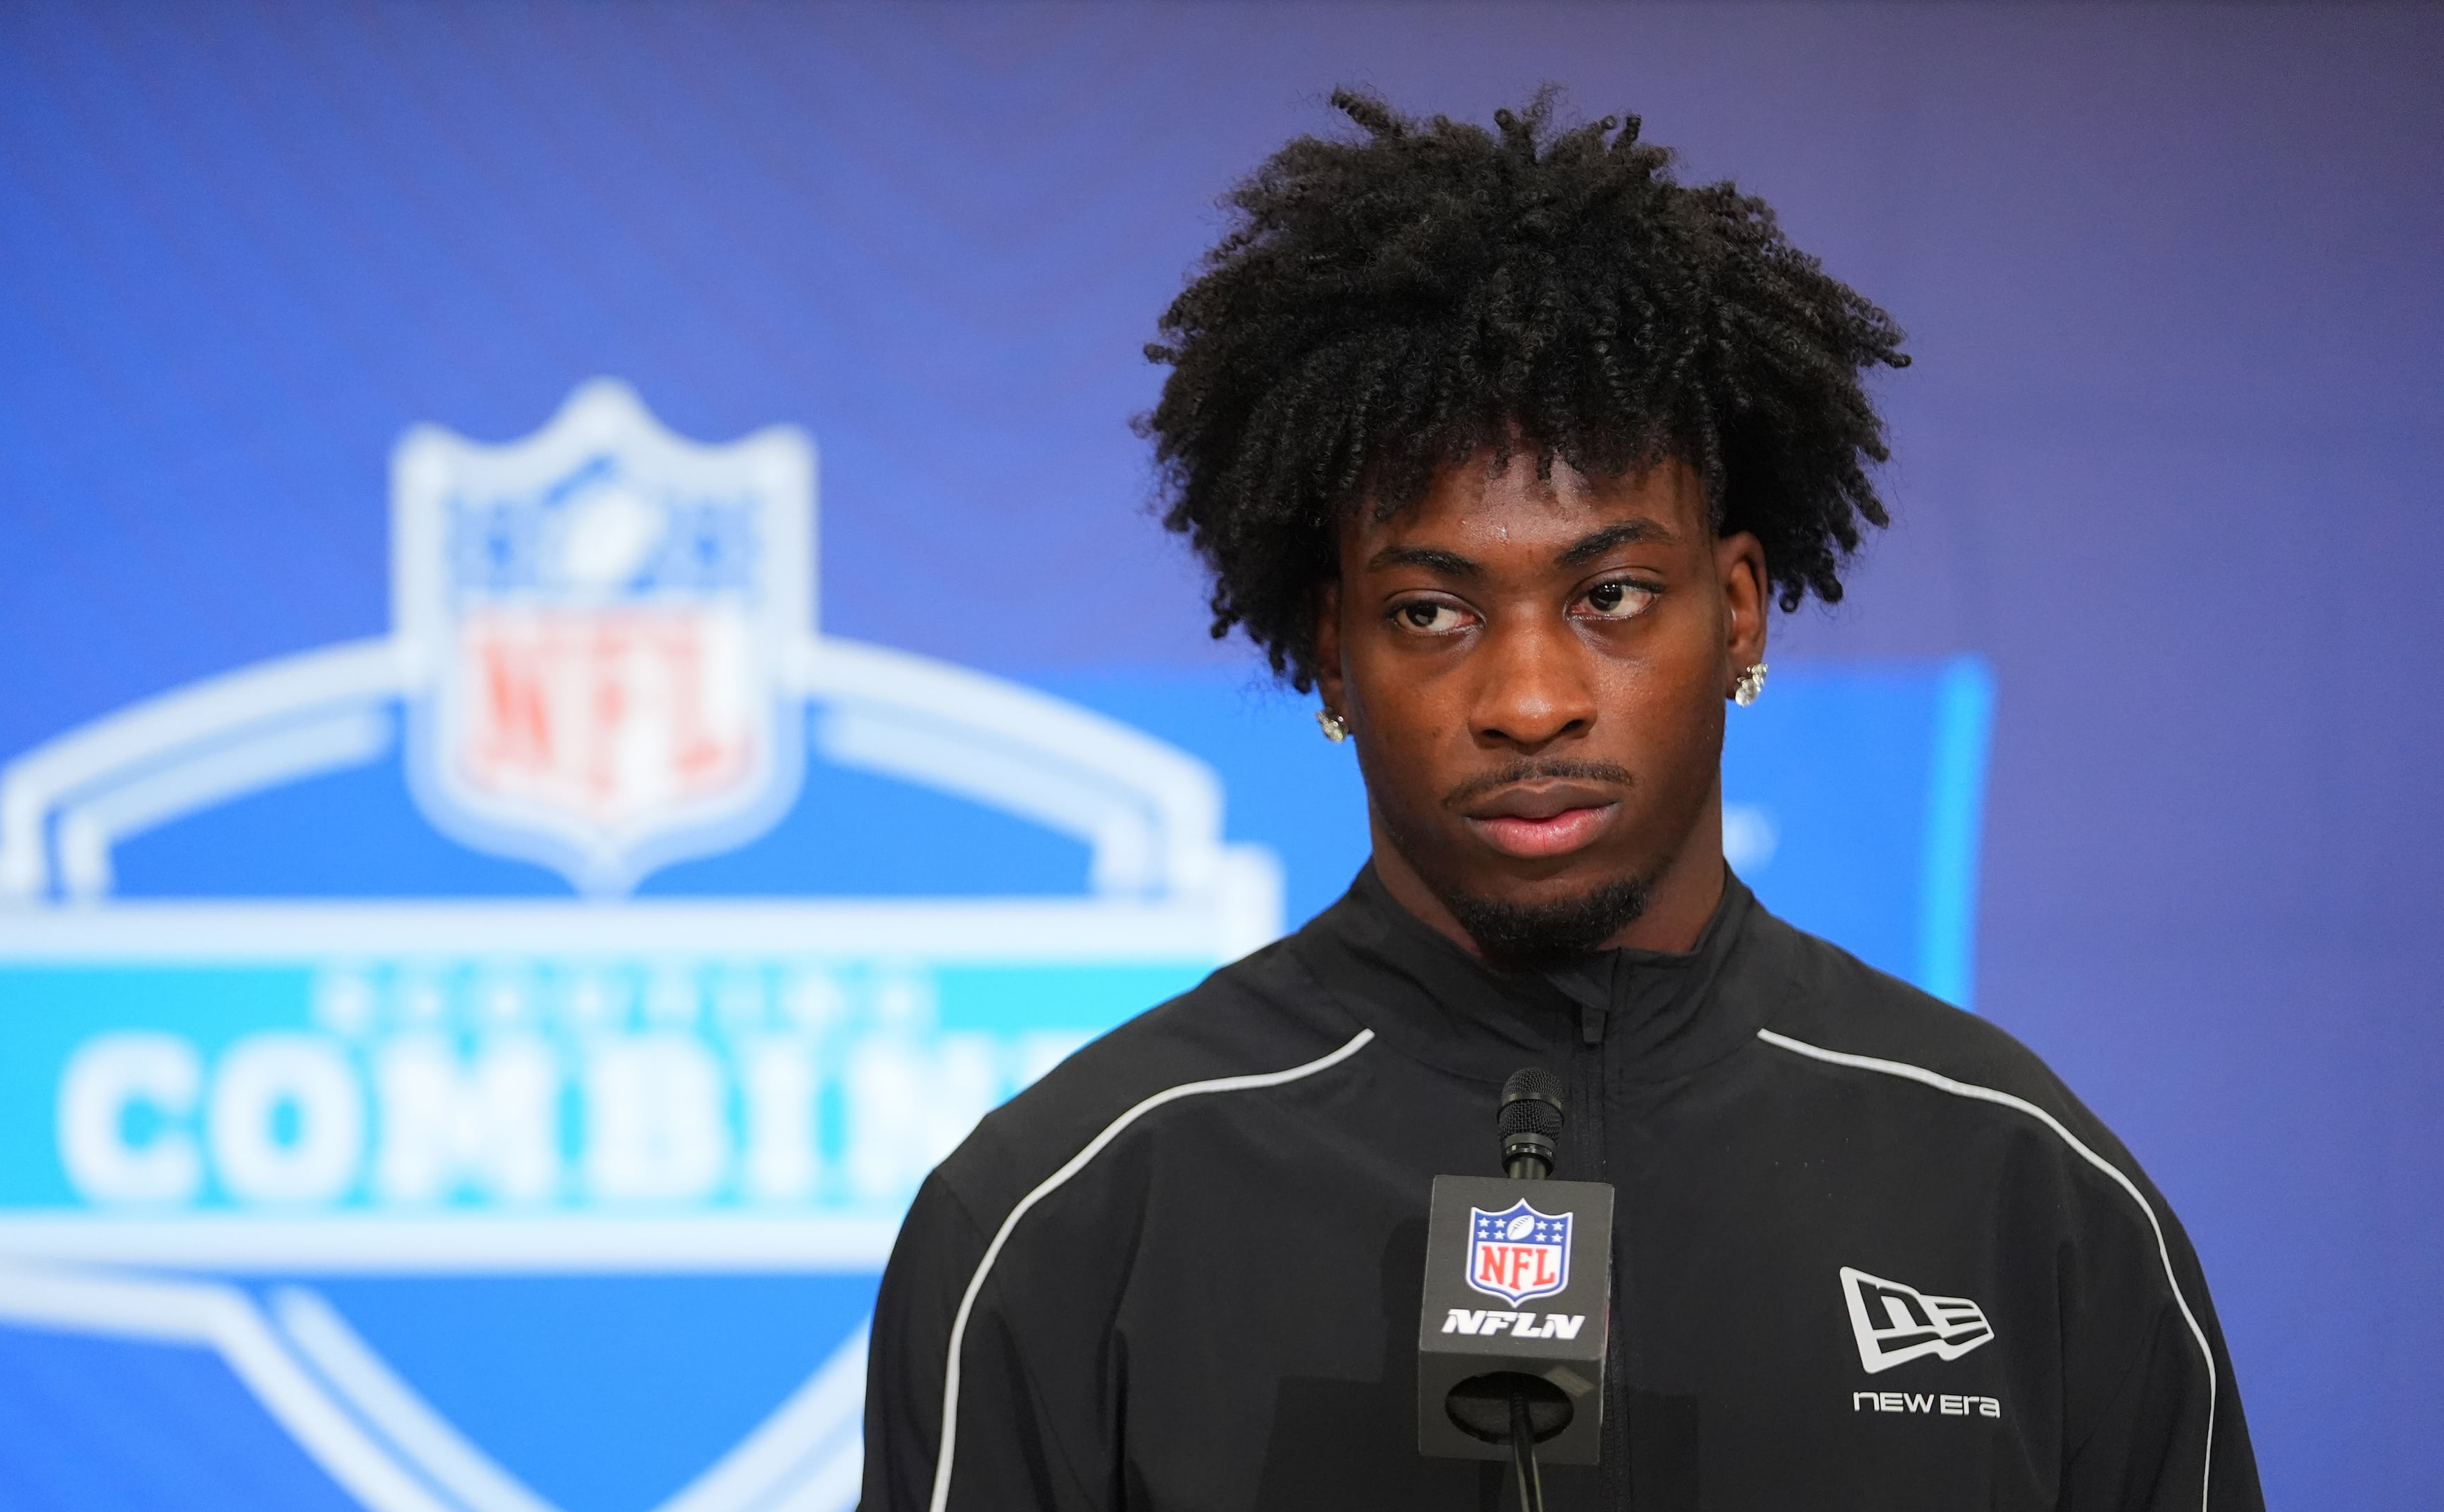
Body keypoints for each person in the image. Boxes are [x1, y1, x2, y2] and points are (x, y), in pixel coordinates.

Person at [860, 88, 2261, 1511]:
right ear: (1327, 650)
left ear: (1738, 614)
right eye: (1429, 611)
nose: (1530, 700)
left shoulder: (2025, 1190)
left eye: (1609, 596)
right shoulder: (1072, 1212)